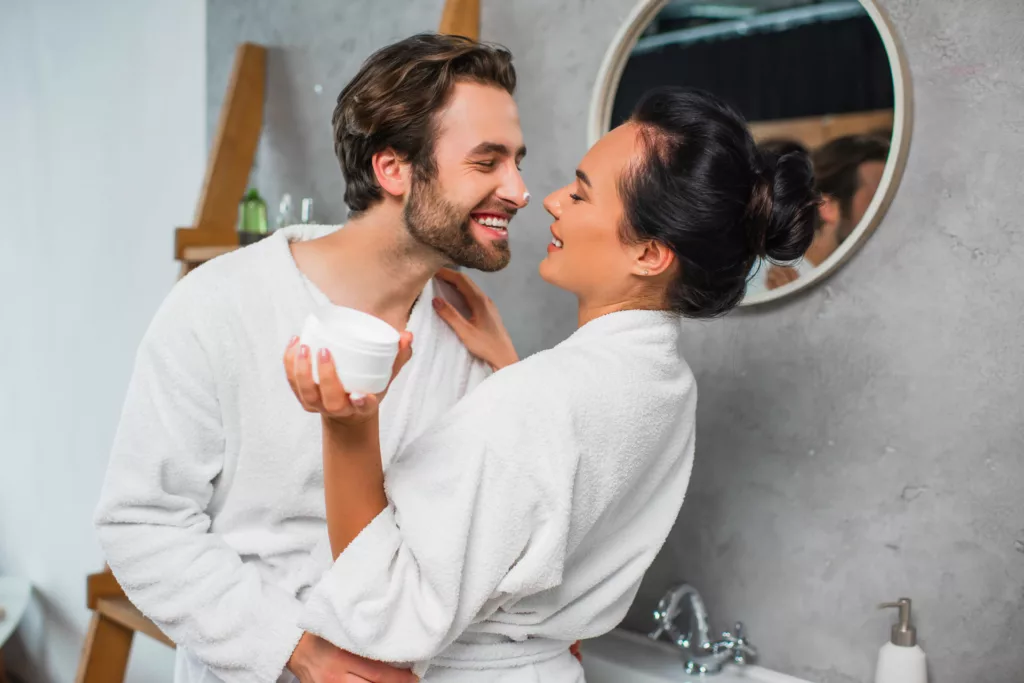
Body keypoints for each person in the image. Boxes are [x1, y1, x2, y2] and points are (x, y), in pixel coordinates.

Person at [282, 87, 820, 682]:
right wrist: (514, 366)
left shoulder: (540, 400)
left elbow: (385, 607)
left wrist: (348, 427)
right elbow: (567, 482)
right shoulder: (665, 385)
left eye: (583, 193)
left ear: (648, 253)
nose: (550, 201)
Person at [94, 33, 531, 683]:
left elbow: (484, 541)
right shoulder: (218, 306)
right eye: (487, 161)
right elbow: (141, 524)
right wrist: (297, 650)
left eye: (517, 160)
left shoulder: (467, 335)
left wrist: (512, 376)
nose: (519, 190)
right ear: (393, 169)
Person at [764, 133, 890, 290]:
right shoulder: (765, 288)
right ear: (827, 206)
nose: (890, 212)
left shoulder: (872, 280)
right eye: (877, 198)